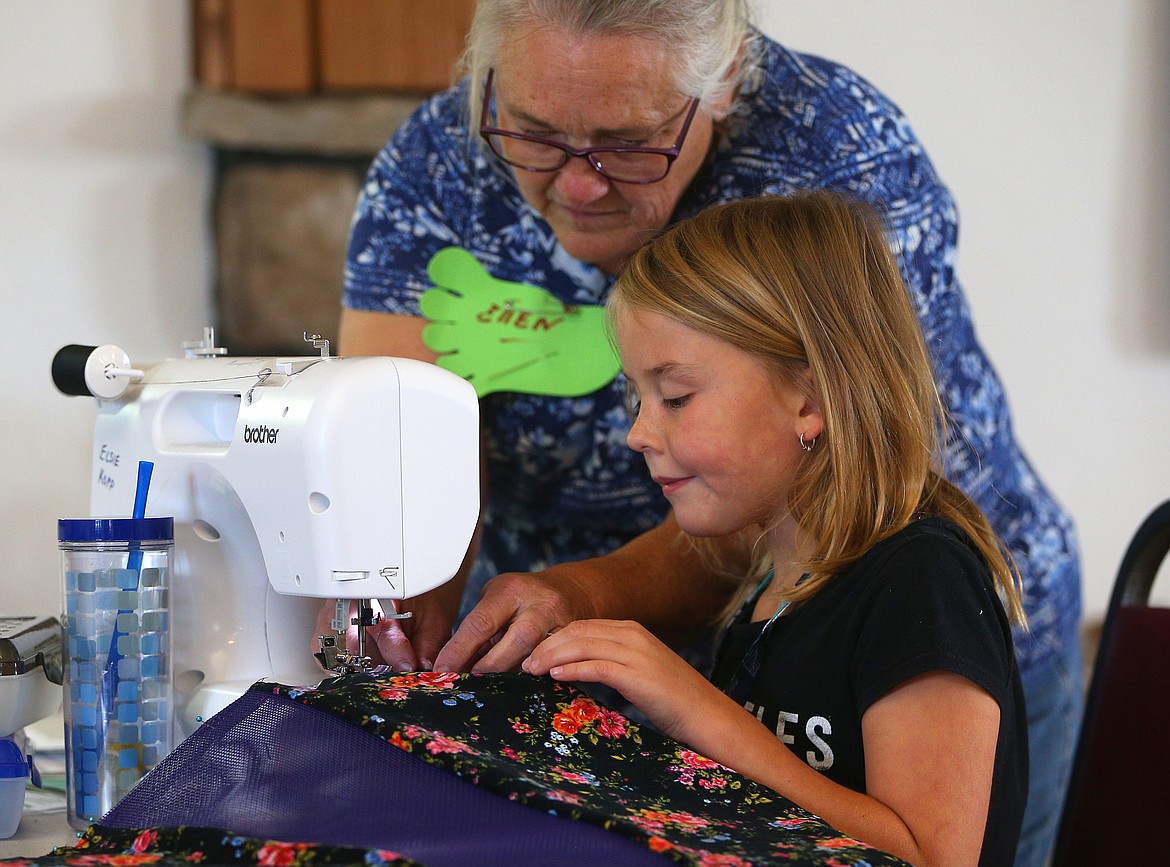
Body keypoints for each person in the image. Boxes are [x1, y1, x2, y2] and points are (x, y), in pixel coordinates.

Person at [339, 2, 1080, 864]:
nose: (577, 184)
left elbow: (919, 849)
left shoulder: (833, 153)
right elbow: (399, 427)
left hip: (841, 656)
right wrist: (402, 591)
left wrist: (665, 677)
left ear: (721, 84)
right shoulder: (765, 600)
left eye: (624, 142)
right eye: (533, 131)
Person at [523, 190, 1028, 866]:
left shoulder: (919, 581)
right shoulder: (775, 578)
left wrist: (695, 708)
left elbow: (929, 856)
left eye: (675, 397)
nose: (639, 434)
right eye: (636, 397)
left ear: (811, 400)